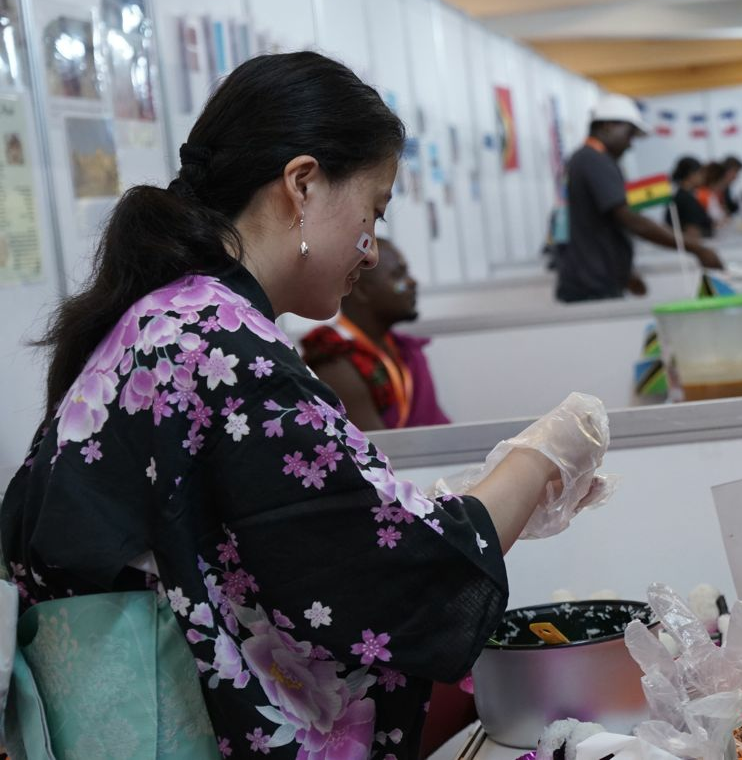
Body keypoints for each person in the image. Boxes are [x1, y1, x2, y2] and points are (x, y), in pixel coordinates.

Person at [0, 52, 610, 756]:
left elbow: (302, 534)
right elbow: (396, 565)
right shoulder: (222, 345)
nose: (373, 250)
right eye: (373, 211)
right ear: (302, 184)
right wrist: (540, 458)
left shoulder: (166, 318)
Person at [555, 95, 723, 302]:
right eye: (629, 135)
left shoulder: (588, 159)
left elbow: (605, 224)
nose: (630, 144)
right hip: (591, 285)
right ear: (608, 126)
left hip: (596, 279)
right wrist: (696, 248)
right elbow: (630, 219)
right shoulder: (593, 160)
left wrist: (625, 270)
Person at [300, 238, 449, 431]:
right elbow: (376, 452)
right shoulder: (335, 361)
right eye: (398, 275)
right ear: (362, 291)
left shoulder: (403, 349)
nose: (412, 282)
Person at [665, 156, 714, 238]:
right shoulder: (684, 199)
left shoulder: (685, 195)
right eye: (700, 173)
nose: (703, 177)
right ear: (691, 174)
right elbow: (692, 229)